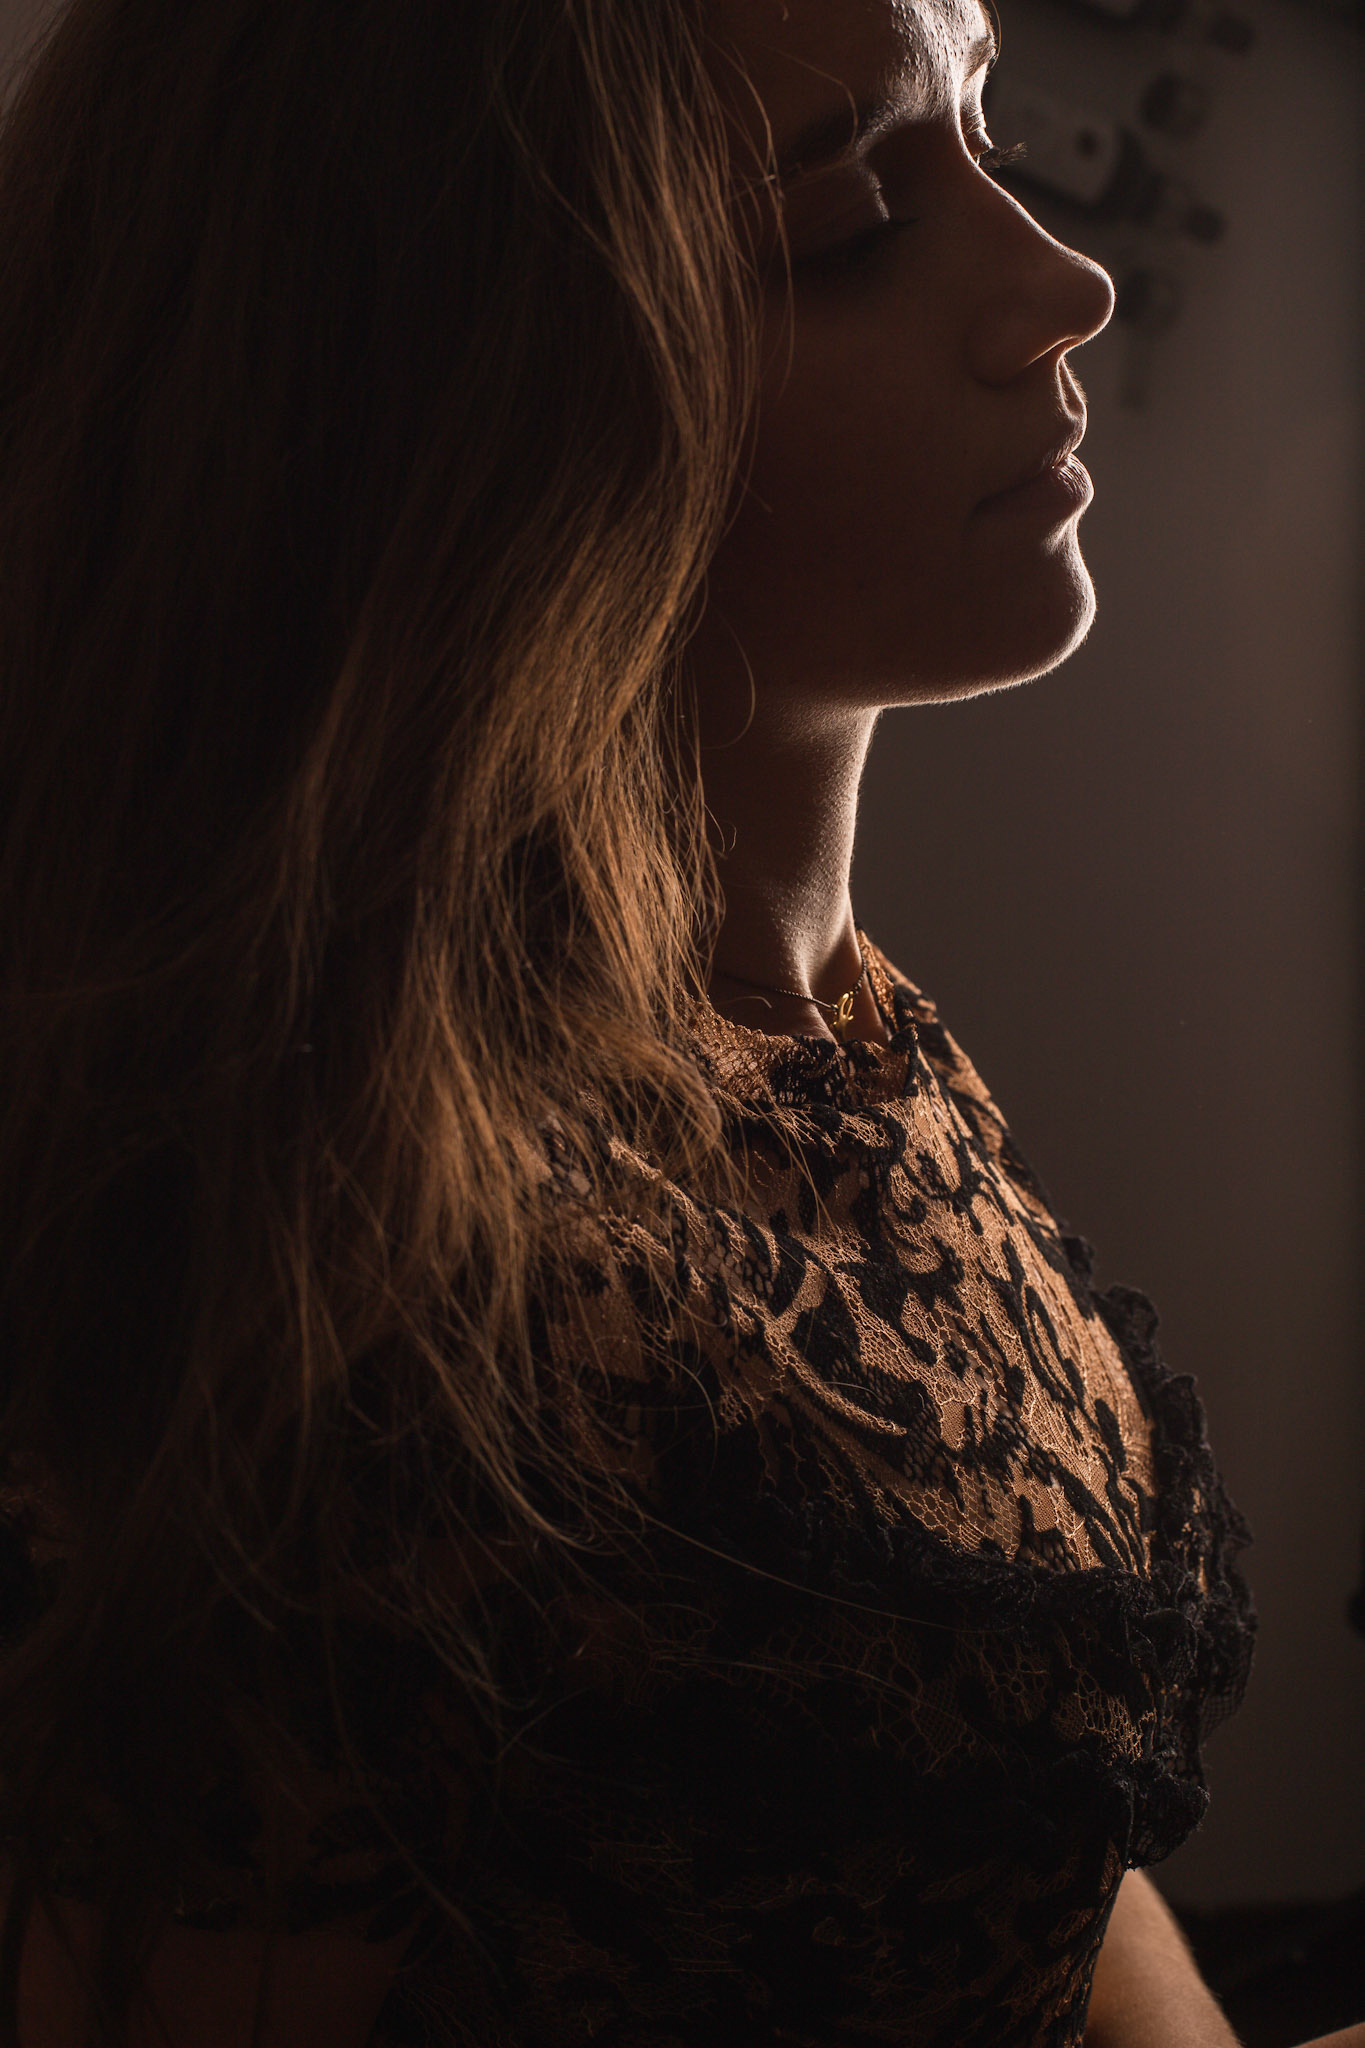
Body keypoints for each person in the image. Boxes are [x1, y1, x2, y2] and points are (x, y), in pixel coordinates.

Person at [3, 0, 1339, 2041]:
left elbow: (1001, 1826)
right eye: (851, 226)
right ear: (462, 409)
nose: (1059, 284)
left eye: (983, 133)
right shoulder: (363, 1302)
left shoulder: (824, 1038)